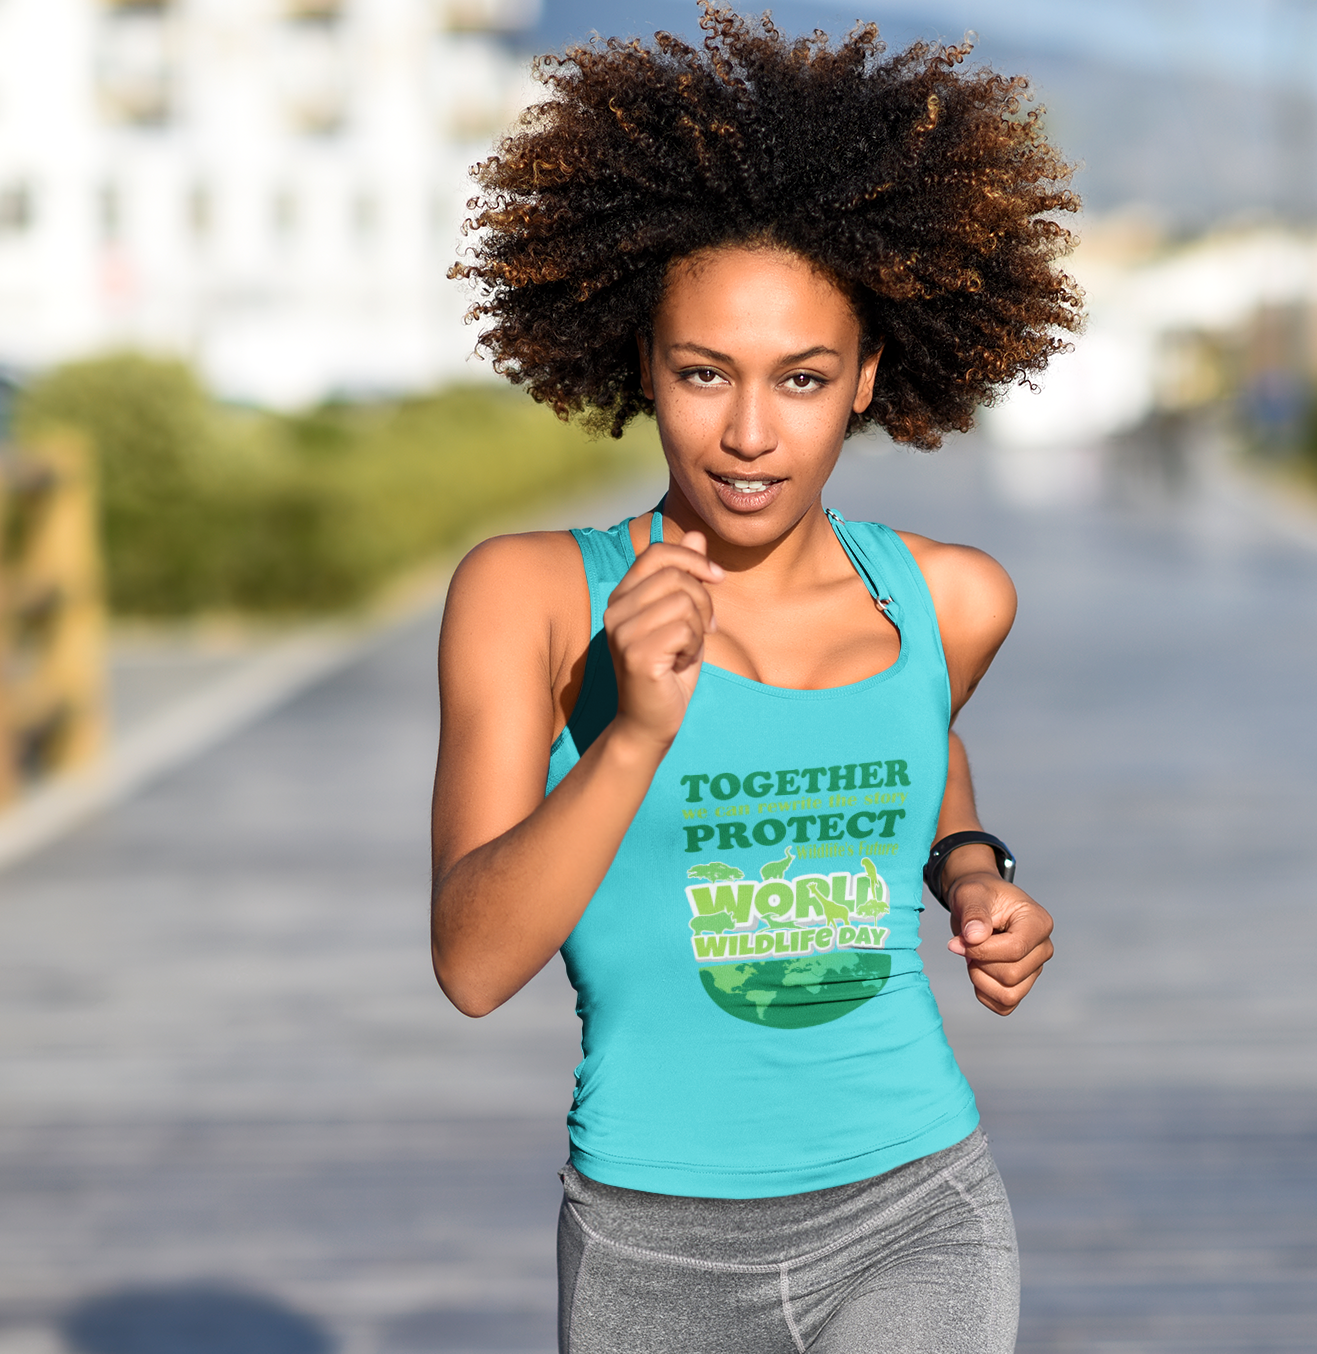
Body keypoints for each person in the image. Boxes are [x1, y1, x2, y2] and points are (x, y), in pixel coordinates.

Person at [432, 6, 1081, 1350]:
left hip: (919, 1202)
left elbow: (920, 732)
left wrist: (967, 868)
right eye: (702, 372)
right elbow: (476, 961)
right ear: (642, 369)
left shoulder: (951, 597)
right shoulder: (533, 595)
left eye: (800, 378)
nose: (746, 432)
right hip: (649, 1241)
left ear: (867, 380)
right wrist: (632, 734)